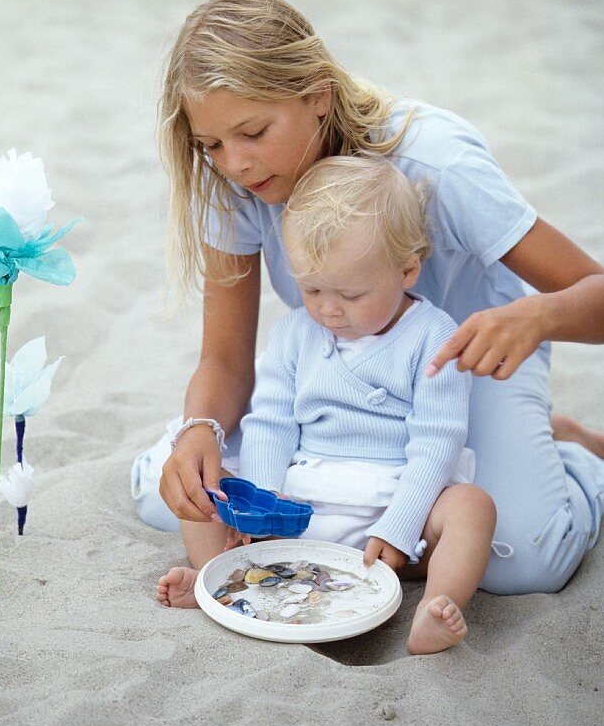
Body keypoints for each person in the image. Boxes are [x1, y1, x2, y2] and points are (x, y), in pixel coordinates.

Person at [135, 0, 604, 599]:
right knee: (163, 496)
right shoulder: (235, 186)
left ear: (318, 96)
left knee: (522, 563)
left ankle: (576, 460)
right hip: (349, 375)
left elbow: (593, 293)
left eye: (253, 131)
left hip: (468, 367)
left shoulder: (436, 164)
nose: (237, 164)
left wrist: (536, 317)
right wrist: (201, 427)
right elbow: (224, 359)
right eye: (213, 145)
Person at [159, 156, 498, 654]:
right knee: (206, 487)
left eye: (351, 294)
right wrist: (263, 507)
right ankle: (217, 580)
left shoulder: (434, 335)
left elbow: (437, 441)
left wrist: (402, 525)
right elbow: (271, 423)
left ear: (407, 269)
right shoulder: (296, 332)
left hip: (392, 505)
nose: (328, 309)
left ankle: (436, 608)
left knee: (472, 508)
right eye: (311, 288)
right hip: (302, 498)